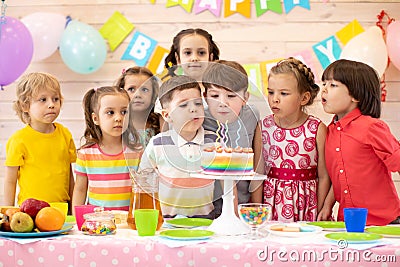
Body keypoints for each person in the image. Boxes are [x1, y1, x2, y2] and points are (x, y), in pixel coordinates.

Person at [317, 59, 400, 225]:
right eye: (324, 83)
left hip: (385, 222)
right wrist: (328, 205)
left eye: (333, 85)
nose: (324, 89)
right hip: (349, 222)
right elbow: (341, 175)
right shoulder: (329, 131)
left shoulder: (372, 128)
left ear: (355, 95)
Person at [251, 57, 331, 222]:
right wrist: (257, 214)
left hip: (307, 206)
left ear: (304, 98)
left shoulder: (317, 129)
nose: (275, 99)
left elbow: (324, 176)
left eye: (284, 93)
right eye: (271, 92)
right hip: (271, 206)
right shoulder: (263, 128)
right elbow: (258, 174)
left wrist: (320, 211)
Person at [139, 75, 218, 219]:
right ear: (167, 115)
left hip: (206, 222)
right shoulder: (157, 145)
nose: (193, 109)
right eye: (183, 105)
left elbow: (226, 182)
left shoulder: (214, 142)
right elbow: (143, 183)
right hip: (165, 222)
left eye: (198, 103)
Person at [3, 72, 76, 209]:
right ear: (25, 106)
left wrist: (73, 208)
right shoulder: (19, 140)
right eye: (43, 99)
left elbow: (70, 177)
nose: (51, 104)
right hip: (30, 212)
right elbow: (10, 181)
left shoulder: (65, 134)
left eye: (55, 99)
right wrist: (7, 212)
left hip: (62, 210)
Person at [202, 60, 261, 218]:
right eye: (215, 95)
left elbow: (258, 160)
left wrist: (255, 204)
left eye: (231, 95)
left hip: (243, 205)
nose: (223, 103)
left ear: (245, 98)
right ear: (205, 97)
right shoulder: (200, 118)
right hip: (207, 208)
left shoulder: (251, 115)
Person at [72, 86, 143, 212]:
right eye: (110, 112)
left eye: (124, 112)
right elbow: (80, 189)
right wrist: (77, 220)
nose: (118, 118)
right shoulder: (86, 154)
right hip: (97, 222)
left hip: (129, 221)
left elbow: (144, 189)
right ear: (96, 119)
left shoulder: (137, 152)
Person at [155, 28, 221, 131]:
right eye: (188, 53)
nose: (194, 58)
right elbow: (165, 132)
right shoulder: (168, 92)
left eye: (201, 53)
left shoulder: (219, 91)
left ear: (210, 57)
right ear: (178, 58)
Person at [115, 66, 160, 147]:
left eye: (144, 89)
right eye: (131, 89)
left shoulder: (160, 123)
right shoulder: (117, 124)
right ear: (121, 92)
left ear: (153, 94)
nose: (138, 95)